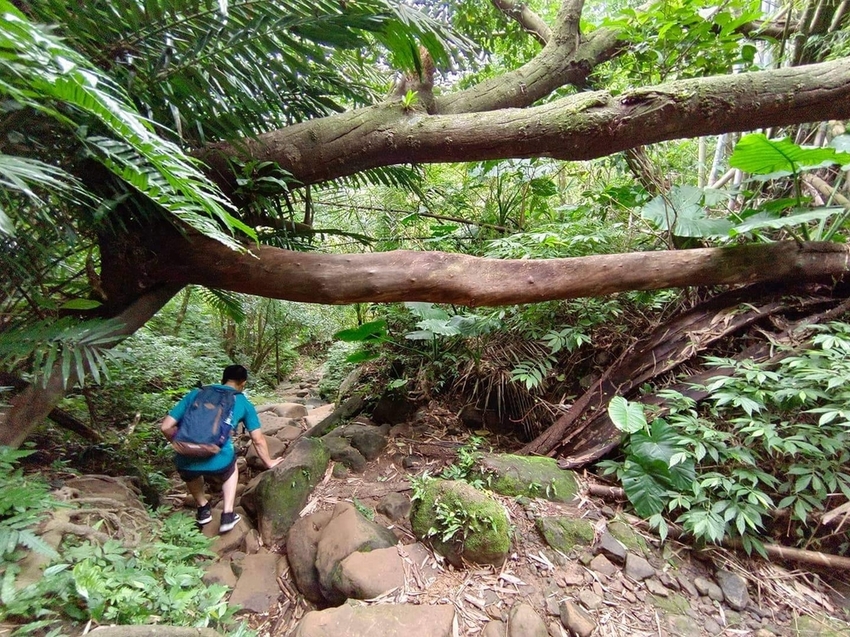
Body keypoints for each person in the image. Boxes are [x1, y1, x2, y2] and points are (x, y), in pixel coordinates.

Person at [161, 364, 282, 532]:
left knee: (191, 470)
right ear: (243, 383)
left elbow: (166, 427)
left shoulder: (196, 393)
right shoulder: (242, 402)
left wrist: (181, 444)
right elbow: (257, 439)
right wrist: (269, 462)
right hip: (218, 459)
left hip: (185, 459)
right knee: (232, 467)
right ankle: (227, 514)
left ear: (223, 378)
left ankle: (203, 508)